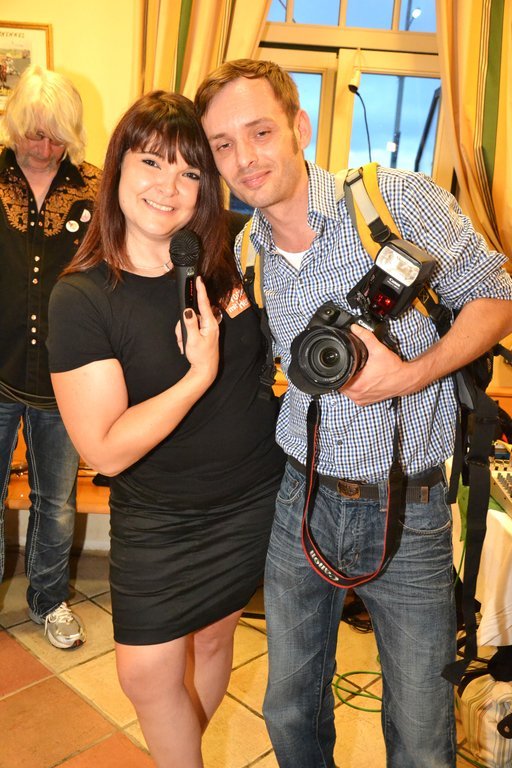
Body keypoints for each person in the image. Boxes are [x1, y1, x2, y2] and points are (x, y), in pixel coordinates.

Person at [195, 58, 512, 768]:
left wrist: (409, 376)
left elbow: (498, 298)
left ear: (299, 127)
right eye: (223, 144)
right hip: (300, 498)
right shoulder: (246, 250)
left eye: (260, 132)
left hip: (411, 506)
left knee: (422, 729)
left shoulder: (392, 201)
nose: (245, 158)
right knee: (288, 707)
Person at [46, 90, 284, 768]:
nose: (169, 186)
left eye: (189, 172)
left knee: (213, 640)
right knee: (147, 673)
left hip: (250, 499)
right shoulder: (83, 297)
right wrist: (196, 375)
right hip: (157, 515)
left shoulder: (231, 253)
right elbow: (105, 450)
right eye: (151, 162)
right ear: (118, 166)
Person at [0, 65, 101, 649]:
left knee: (56, 501)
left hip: (66, 374)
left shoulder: (96, 187)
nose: (44, 149)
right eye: (35, 134)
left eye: (57, 137)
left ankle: (49, 599)